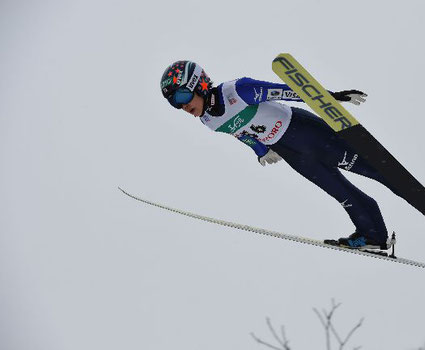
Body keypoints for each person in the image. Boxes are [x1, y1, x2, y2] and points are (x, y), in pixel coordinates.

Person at [160, 60, 399, 250]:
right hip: (293, 153)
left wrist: (331, 97)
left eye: (182, 97)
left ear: (198, 84)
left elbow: (286, 92)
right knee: (340, 192)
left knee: (372, 169)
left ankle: (406, 187)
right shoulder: (208, 120)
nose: (182, 107)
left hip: (306, 132)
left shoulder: (237, 90)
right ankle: (374, 236)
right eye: (175, 104)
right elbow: (239, 132)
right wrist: (261, 150)